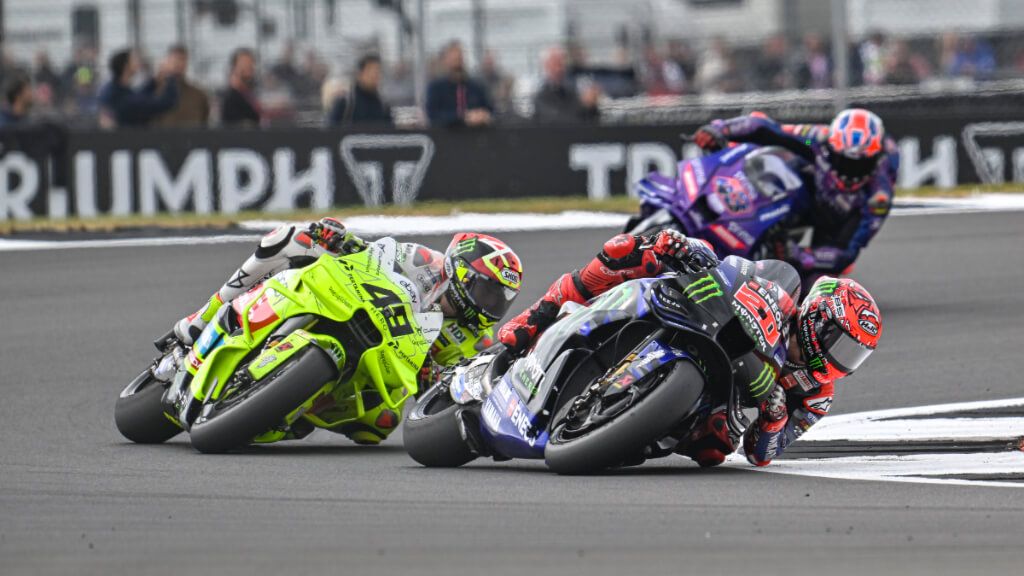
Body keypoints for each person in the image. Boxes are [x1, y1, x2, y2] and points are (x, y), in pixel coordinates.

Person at [498, 229, 882, 467]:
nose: (840, 360)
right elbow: (739, 271)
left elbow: (762, 453)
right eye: (842, 344)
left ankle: (628, 437)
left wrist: (774, 420)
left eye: (854, 355)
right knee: (627, 249)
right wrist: (690, 251)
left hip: (723, 394)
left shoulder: (816, 395)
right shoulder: (783, 292)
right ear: (818, 318)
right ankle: (538, 316)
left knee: (714, 449)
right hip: (700, 314)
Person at [164, 218, 524, 445]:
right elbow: (375, 255)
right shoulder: (423, 261)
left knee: (379, 425)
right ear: (461, 273)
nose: (490, 304)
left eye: (500, 299)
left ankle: (294, 410)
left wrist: (436, 378)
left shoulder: (472, 338)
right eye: (486, 290)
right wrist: (340, 238)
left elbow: (455, 385)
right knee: (291, 238)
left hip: (378, 364)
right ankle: (202, 318)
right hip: (343, 303)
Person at [692, 108, 898, 280]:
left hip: (837, 221)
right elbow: (767, 128)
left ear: (876, 158)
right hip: (808, 194)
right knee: (778, 162)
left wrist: (802, 256)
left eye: (860, 164)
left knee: (815, 285)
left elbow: (848, 252)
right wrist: (721, 128)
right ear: (832, 148)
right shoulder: (816, 141)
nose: (850, 170)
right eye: (844, 160)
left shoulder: (878, 195)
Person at [97, 49, 180, 127]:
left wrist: (155, 81)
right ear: (126, 66)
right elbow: (163, 103)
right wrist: (170, 75)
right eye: (134, 60)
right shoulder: (118, 97)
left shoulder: (114, 89)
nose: (138, 62)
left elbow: (139, 96)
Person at [425, 42, 493, 127]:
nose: (458, 62)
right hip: (445, 137)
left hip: (477, 137)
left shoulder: (477, 87)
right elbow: (433, 116)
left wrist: (483, 116)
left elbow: (490, 110)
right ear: (444, 61)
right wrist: (463, 118)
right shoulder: (436, 87)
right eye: (454, 59)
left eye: (460, 58)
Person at [533, 46, 600, 124]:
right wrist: (585, 105)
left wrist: (592, 106)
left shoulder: (572, 90)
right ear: (545, 66)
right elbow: (558, 122)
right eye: (555, 64)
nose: (559, 69)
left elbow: (592, 120)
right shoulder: (540, 95)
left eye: (561, 64)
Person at [153, 44, 211, 128]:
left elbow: (205, 122)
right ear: (167, 62)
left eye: (182, 60)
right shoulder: (157, 94)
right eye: (175, 61)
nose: (178, 64)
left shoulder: (198, 95)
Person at [326, 54, 392, 126]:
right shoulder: (346, 103)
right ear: (360, 74)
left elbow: (390, 134)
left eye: (378, 71)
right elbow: (330, 133)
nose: (375, 75)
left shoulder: (383, 105)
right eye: (370, 70)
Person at [221, 48, 261, 127]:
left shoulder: (253, 91)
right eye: (244, 64)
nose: (249, 66)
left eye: (251, 63)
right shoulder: (230, 97)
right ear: (234, 67)